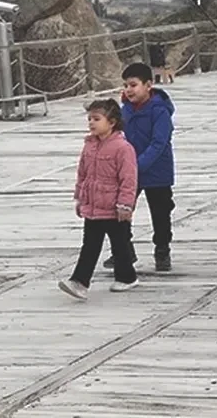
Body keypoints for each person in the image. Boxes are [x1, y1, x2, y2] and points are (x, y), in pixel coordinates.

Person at [59, 99, 139, 300]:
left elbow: (129, 179)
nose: (91, 123)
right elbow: (83, 174)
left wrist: (125, 204)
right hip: (93, 207)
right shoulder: (89, 146)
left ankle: (127, 277)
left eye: (96, 119)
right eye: (89, 119)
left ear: (111, 122)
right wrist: (80, 198)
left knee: (120, 245)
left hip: (114, 208)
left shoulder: (123, 148)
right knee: (90, 246)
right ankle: (79, 282)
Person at [105, 63, 176, 272]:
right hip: (129, 171)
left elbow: (159, 143)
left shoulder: (159, 110)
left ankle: (162, 250)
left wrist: (138, 165)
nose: (129, 90)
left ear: (148, 85)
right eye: (126, 85)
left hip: (157, 171)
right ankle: (124, 249)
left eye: (134, 85)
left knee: (160, 214)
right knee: (120, 210)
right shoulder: (125, 110)